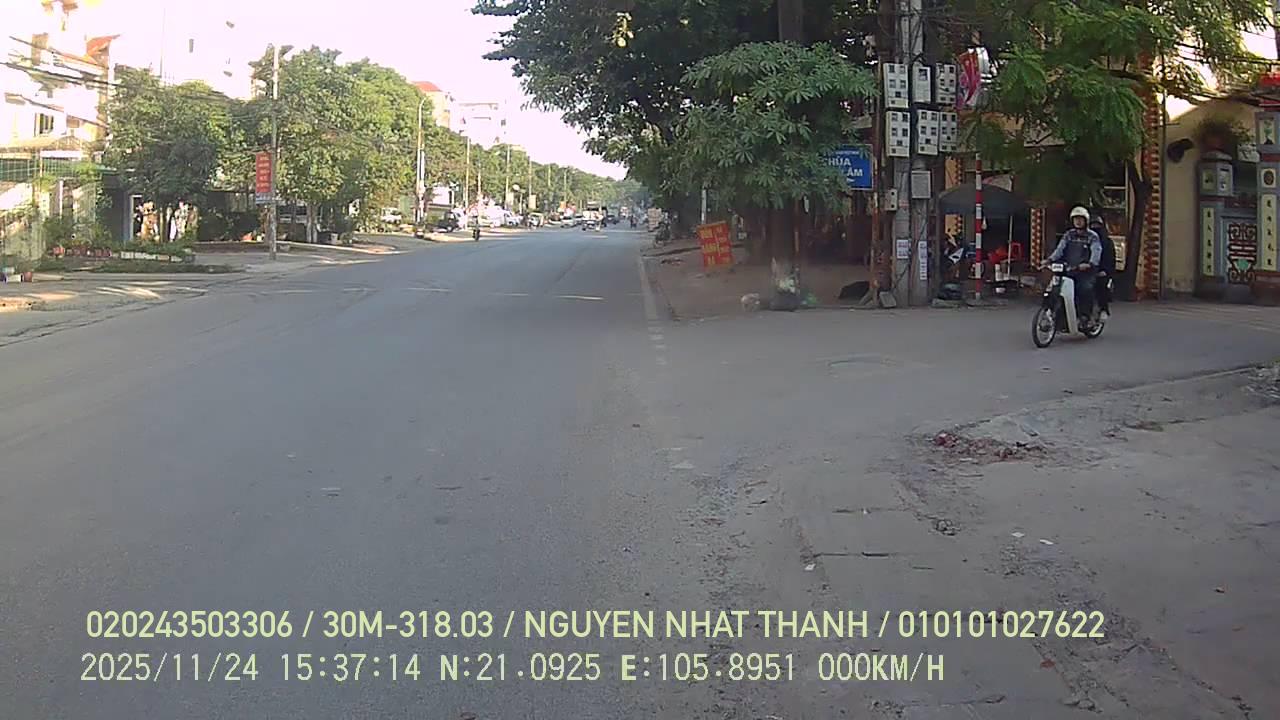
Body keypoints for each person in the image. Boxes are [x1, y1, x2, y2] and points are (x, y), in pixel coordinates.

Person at [1046, 206, 1102, 322]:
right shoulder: (1068, 235)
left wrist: (1090, 263)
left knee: (1084, 289)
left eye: (1080, 219)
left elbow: (1096, 251)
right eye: (1076, 219)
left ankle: (1085, 316)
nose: (1078, 222)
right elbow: (1060, 249)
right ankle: (1055, 312)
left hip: (1085, 272)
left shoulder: (1092, 236)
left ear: (1086, 220)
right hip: (1069, 270)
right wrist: (1050, 260)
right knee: (1056, 288)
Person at [1090, 212, 1116, 320]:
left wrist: (1105, 270)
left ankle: (1103, 309)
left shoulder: (1107, 242)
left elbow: (1110, 259)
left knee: (1101, 286)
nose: (1094, 228)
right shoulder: (1085, 239)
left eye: (1097, 225)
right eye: (1092, 225)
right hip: (1084, 270)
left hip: (1100, 270)